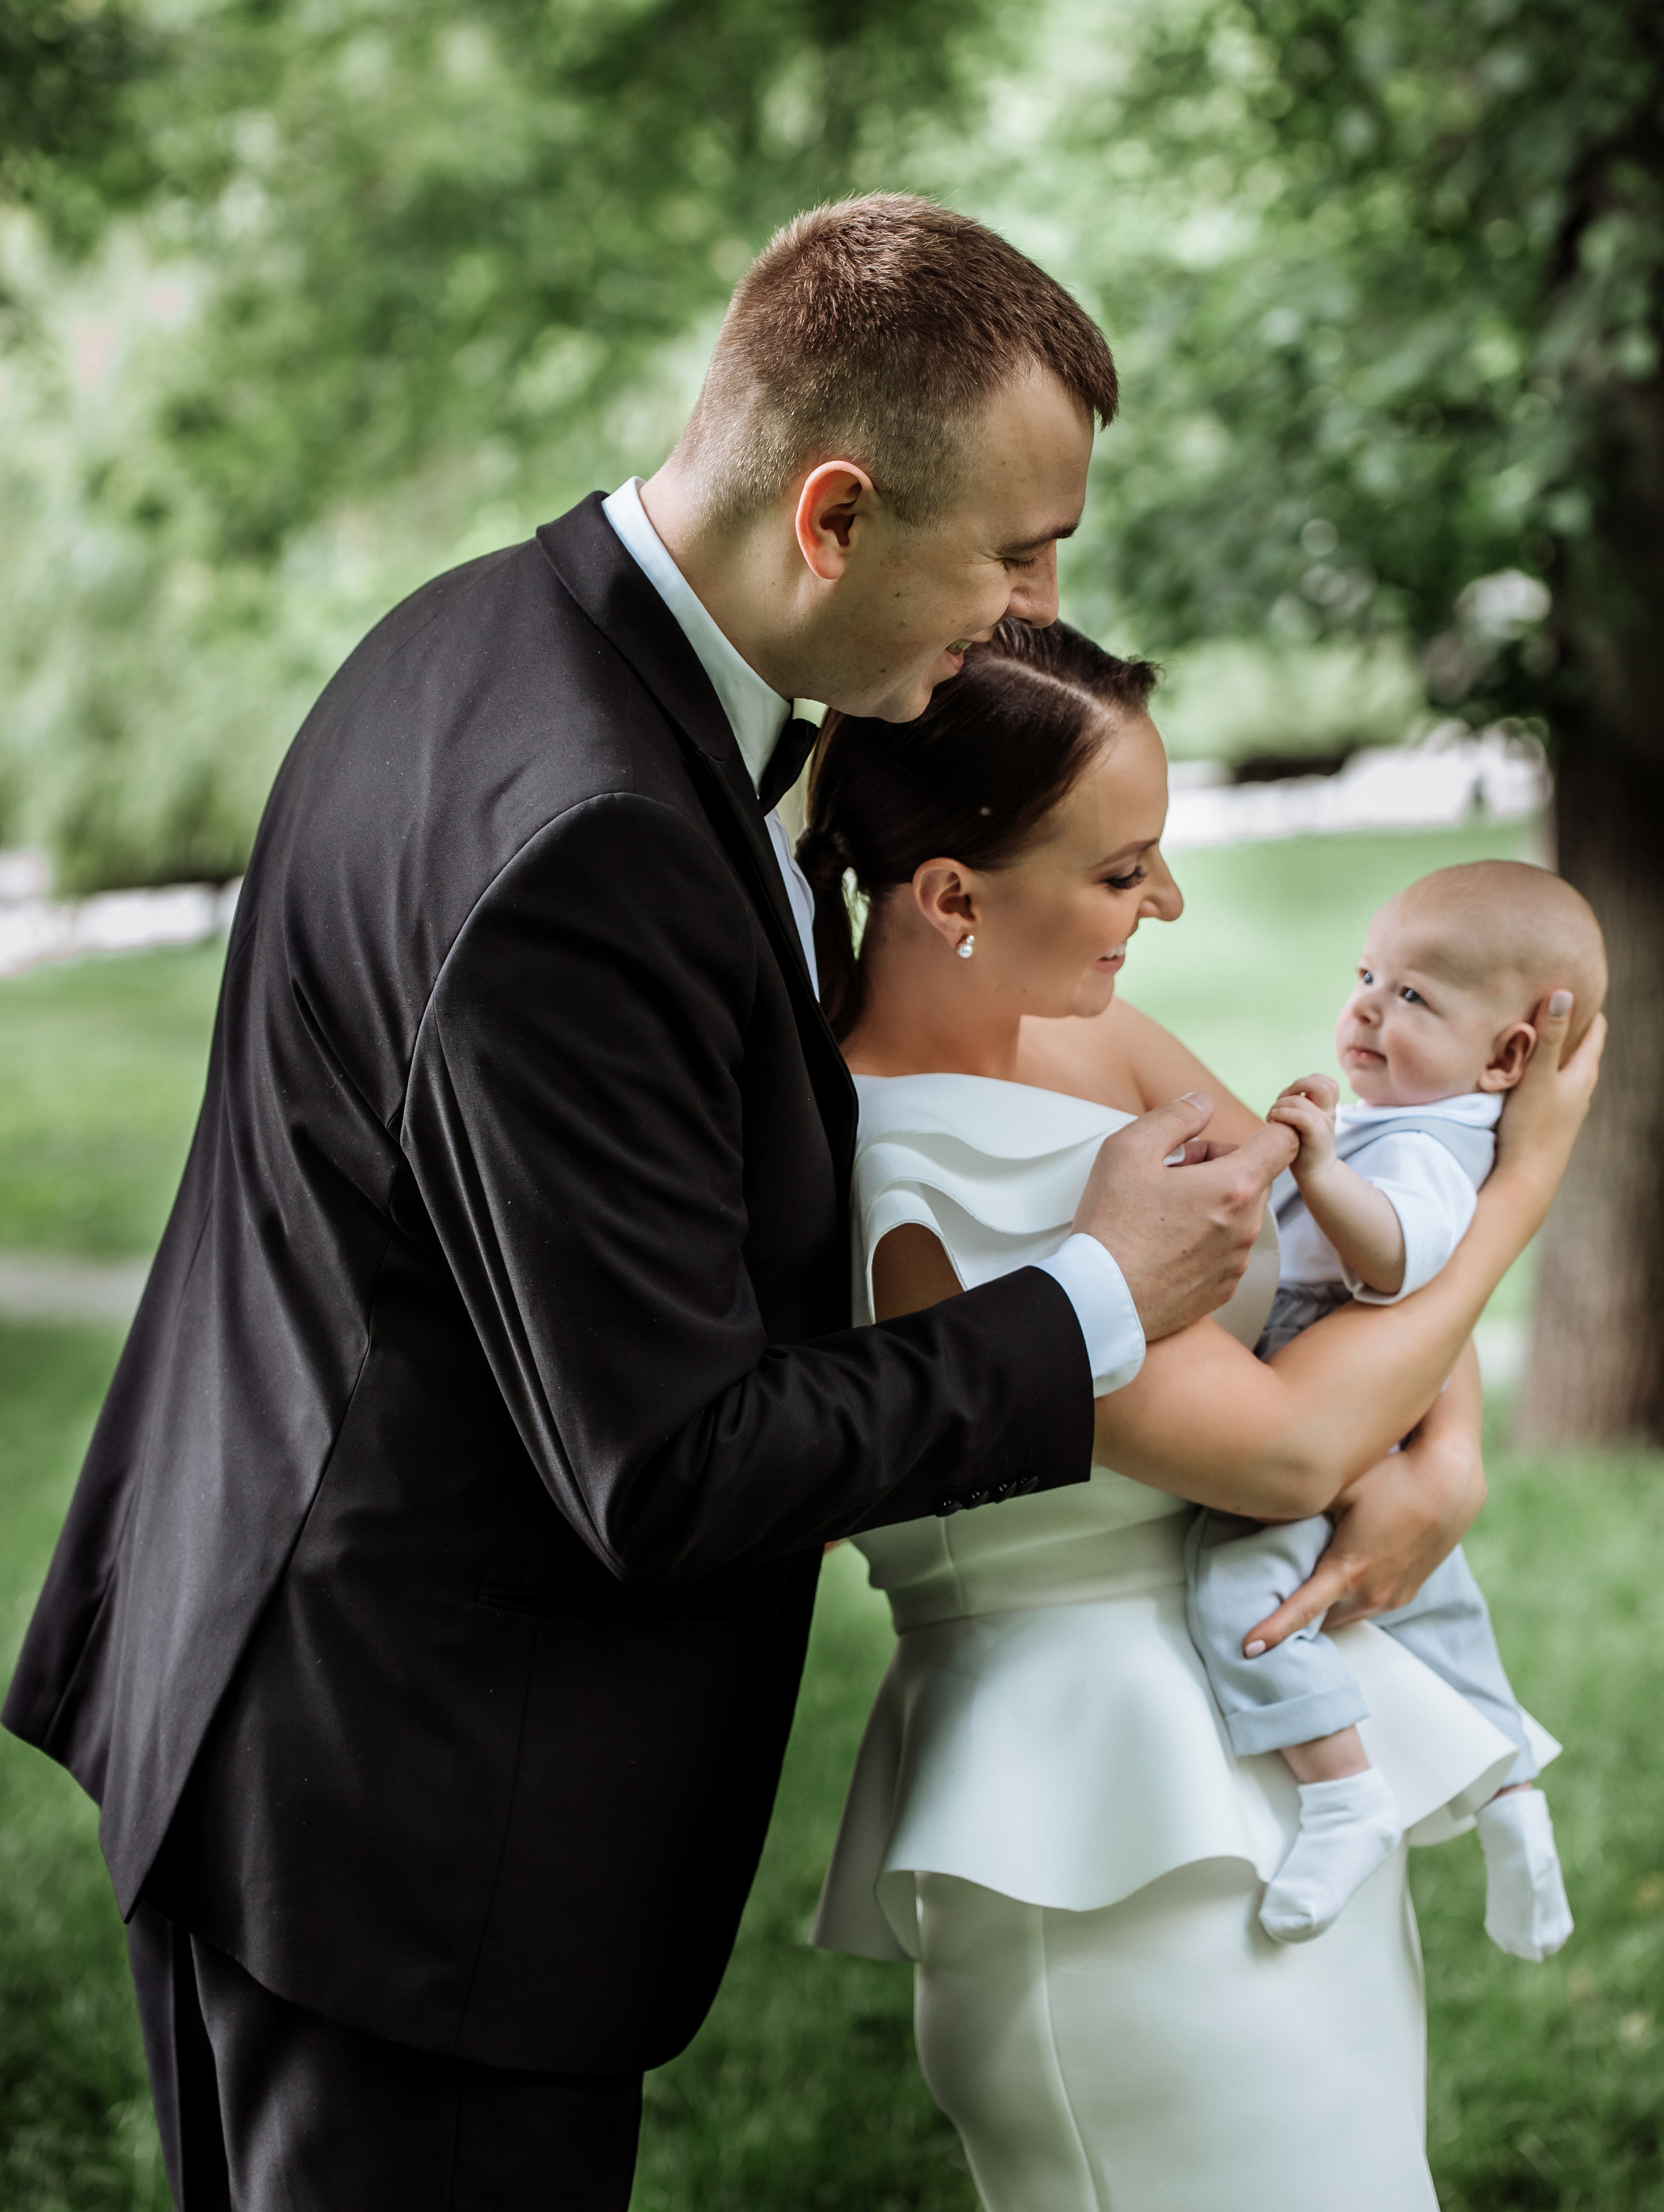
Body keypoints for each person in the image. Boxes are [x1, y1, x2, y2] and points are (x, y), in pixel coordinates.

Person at [3, 195, 1312, 2212]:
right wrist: (1092, 1300)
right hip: (407, 1822)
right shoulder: (584, 837)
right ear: (834, 515)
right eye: (1016, 553)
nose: (1043, 604)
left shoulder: (499, 626)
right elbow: (674, 1464)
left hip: (315, 1701)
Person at [804, 621, 1602, 2212]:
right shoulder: (920, 1193)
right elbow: (1293, 1442)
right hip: (1106, 1833)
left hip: (1263, 1773)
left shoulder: (1085, 1037)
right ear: (951, 899)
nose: (1163, 902)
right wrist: (1525, 1182)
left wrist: (1441, 1467)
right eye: (1120, 872)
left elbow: (1361, 1251)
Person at [1188, 860, 1605, 1949]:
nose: (1367, 1006)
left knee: (1242, 1589)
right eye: (1367, 974)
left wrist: (1322, 1169)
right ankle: (1513, 1801)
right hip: (1380, 1385)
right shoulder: (1420, 1121)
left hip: (1343, 1377)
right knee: (1438, 1613)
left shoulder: (1424, 1145)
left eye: (1414, 996)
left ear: (1509, 1054)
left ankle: (1343, 1798)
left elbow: (1400, 1259)